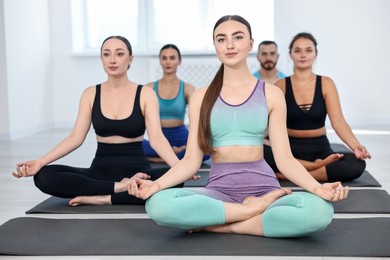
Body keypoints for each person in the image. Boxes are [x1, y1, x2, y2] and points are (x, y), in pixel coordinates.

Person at [128, 15, 349, 238]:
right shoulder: (201, 97)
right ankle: (248, 213)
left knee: (320, 212)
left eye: (238, 37)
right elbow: (191, 161)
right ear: (215, 45)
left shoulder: (271, 94)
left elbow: (285, 159)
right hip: (218, 192)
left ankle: (224, 224)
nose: (230, 45)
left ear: (250, 43)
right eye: (221, 39)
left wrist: (316, 188)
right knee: (158, 204)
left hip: (266, 191)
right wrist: (157, 186)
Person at [11, 35, 184, 206]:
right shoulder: (90, 94)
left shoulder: (146, 93)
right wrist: (40, 162)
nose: (112, 60)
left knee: (176, 180)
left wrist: (179, 168)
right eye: (106, 54)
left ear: (130, 59)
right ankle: (119, 188)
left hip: (138, 173)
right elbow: (75, 137)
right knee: (44, 176)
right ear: (101, 58)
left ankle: (102, 198)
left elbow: (157, 138)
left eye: (119, 54)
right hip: (99, 172)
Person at [264, 32, 371, 182]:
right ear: (290, 55)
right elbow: (271, 123)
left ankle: (290, 174)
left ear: (315, 54)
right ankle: (313, 167)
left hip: (320, 149)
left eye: (308, 50)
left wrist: (356, 146)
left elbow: (338, 121)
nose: (303, 55)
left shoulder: (326, 83)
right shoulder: (280, 85)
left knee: (356, 164)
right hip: (289, 148)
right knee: (259, 152)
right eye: (297, 50)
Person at [142, 44, 210, 163]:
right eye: (164, 58)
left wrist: (196, 143)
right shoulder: (150, 87)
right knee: (134, 145)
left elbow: (199, 119)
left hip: (182, 137)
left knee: (206, 151)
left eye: (172, 58)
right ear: (160, 61)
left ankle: (161, 158)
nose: (168, 61)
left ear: (179, 61)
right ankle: (174, 156)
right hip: (158, 138)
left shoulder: (187, 88)